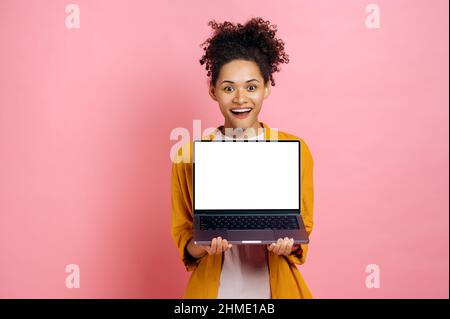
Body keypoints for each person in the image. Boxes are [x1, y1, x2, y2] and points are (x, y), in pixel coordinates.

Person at [171, 17, 314, 299]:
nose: (240, 98)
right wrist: (203, 244)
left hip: (275, 291)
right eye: (228, 88)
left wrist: (291, 244)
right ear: (213, 92)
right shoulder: (187, 156)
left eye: (251, 87)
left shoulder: (295, 148)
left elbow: (303, 225)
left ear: (266, 88)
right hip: (215, 292)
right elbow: (183, 233)